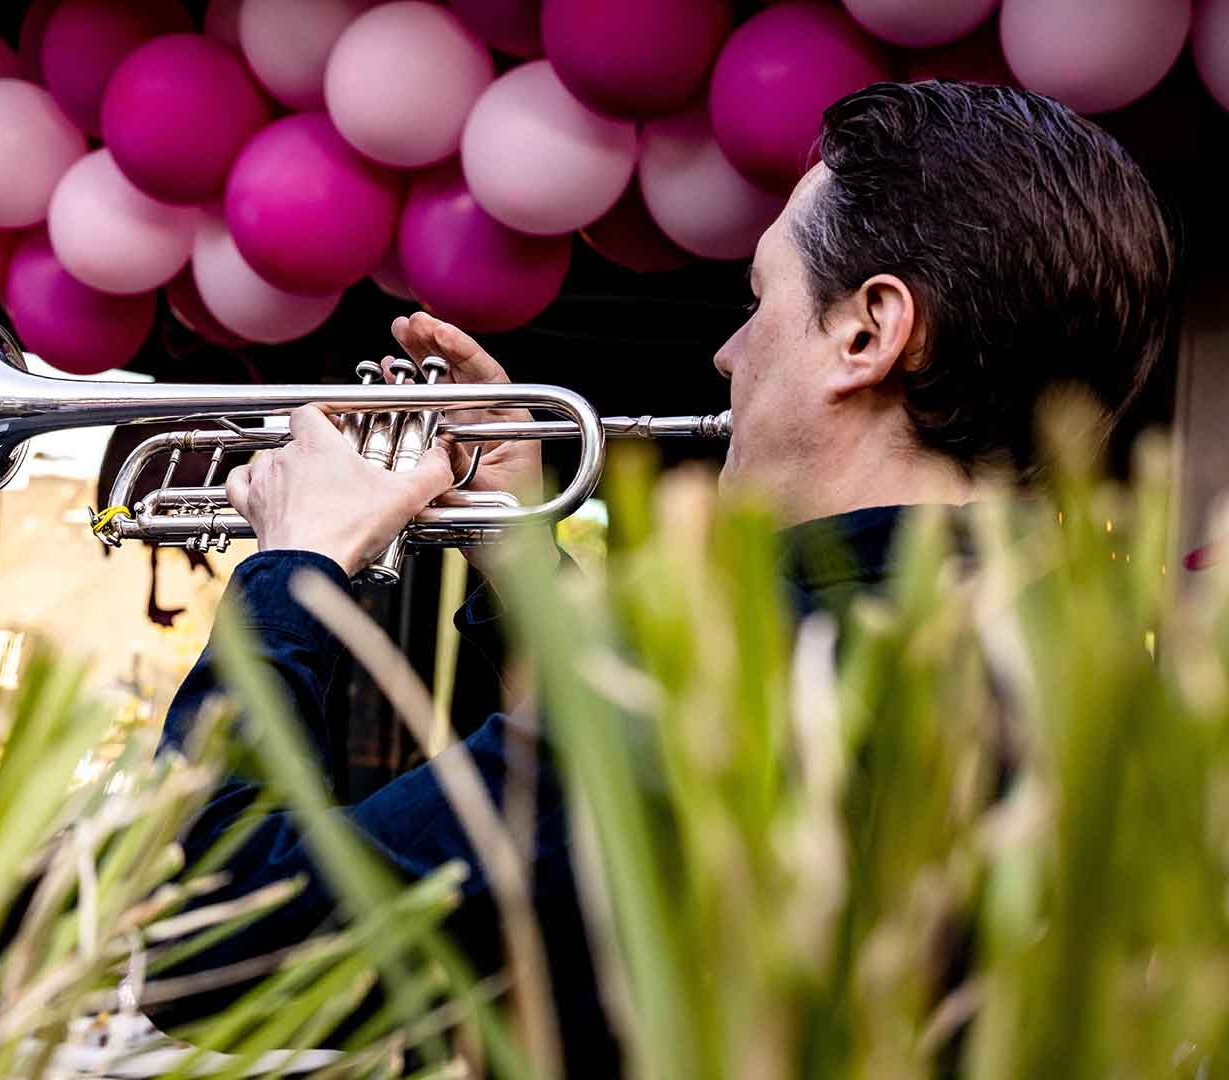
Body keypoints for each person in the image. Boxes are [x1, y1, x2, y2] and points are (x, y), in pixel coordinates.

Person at [148, 80, 1176, 1071]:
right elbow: (590, 867)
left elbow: (205, 945)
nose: (729, 355)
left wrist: (296, 566)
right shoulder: (1113, 691)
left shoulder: (720, 684)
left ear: (869, 332)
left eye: (760, 297)